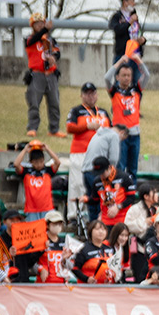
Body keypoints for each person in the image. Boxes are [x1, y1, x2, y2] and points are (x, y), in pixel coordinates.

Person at [66, 83, 111, 221]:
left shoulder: (103, 112)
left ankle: (98, 215)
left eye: (93, 93)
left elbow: (111, 130)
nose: (90, 96)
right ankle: (74, 215)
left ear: (97, 95)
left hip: (100, 155)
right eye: (87, 93)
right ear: (82, 95)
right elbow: (70, 127)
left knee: (98, 185)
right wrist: (87, 126)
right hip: (81, 152)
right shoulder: (76, 111)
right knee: (77, 183)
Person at [105, 53, 150, 177]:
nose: (126, 78)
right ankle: (119, 188)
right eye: (123, 75)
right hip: (120, 135)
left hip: (135, 135)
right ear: (117, 77)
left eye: (129, 75)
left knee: (133, 168)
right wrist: (119, 62)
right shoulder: (114, 91)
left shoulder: (136, 90)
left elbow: (147, 75)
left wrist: (138, 61)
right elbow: (107, 78)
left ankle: (131, 188)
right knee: (120, 166)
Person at [24, 13, 63, 138]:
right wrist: (45, 29)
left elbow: (57, 52)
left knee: (54, 102)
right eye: (37, 24)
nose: (40, 25)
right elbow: (34, 39)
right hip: (37, 74)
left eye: (42, 23)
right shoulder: (29, 39)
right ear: (32, 26)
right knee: (34, 103)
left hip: (51, 74)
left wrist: (53, 58)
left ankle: (54, 129)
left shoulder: (50, 40)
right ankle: (32, 127)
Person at [81, 124, 128, 221]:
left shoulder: (98, 134)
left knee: (92, 204)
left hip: (86, 170)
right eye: (122, 139)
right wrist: (113, 175)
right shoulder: (114, 136)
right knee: (102, 206)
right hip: (99, 172)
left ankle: (93, 226)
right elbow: (113, 159)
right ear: (122, 133)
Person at [13, 141, 58, 222]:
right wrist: (25, 150)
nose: (39, 164)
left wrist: (48, 149)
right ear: (31, 162)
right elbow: (16, 164)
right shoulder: (26, 172)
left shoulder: (48, 171)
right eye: (36, 162)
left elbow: (57, 162)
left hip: (47, 208)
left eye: (41, 161)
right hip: (31, 209)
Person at [91, 158, 134, 228]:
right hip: (105, 221)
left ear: (109, 168)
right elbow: (94, 199)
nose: (101, 175)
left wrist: (118, 207)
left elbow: (131, 198)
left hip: (123, 220)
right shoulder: (97, 181)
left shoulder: (124, 177)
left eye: (102, 172)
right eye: (98, 173)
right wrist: (85, 199)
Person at [36, 210, 68, 284]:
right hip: (44, 283)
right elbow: (31, 262)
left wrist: (66, 261)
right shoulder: (40, 241)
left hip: (61, 283)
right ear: (47, 225)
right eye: (55, 223)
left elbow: (71, 264)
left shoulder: (65, 242)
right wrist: (40, 269)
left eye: (60, 223)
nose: (58, 226)